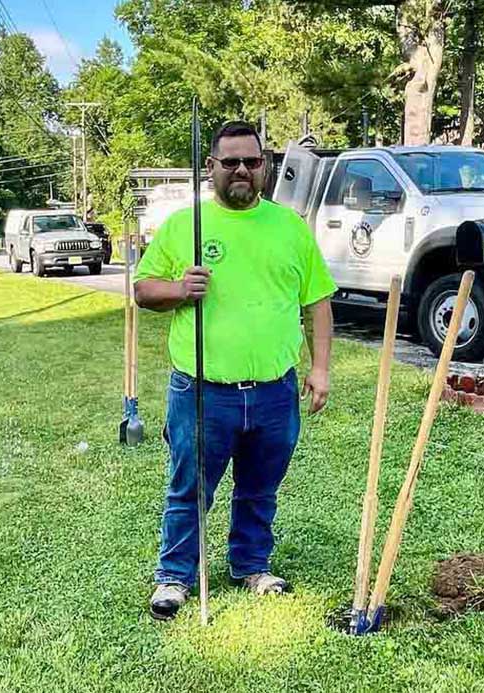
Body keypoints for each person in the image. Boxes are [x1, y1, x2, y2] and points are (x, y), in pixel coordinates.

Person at [134, 121, 336, 620]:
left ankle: (251, 566)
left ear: (265, 166)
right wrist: (181, 289)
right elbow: (143, 290)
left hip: (274, 390)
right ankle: (175, 577)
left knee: (259, 487)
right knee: (190, 486)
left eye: (252, 161)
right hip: (203, 389)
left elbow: (319, 301)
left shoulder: (290, 227)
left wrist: (321, 368)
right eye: (230, 162)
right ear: (212, 169)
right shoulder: (186, 226)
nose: (242, 170)